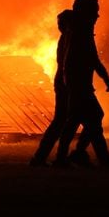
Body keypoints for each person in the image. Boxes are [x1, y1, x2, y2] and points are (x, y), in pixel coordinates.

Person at [54, 0, 109, 167]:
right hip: (78, 84)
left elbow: (91, 57)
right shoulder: (80, 30)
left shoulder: (78, 28)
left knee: (80, 119)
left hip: (77, 83)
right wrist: (104, 79)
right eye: (95, 10)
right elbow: (81, 58)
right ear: (85, 11)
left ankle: (75, 155)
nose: (97, 15)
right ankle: (71, 156)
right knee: (89, 117)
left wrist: (104, 78)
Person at [28, 9, 79, 166]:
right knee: (66, 120)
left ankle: (45, 157)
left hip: (64, 83)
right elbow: (67, 64)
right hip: (66, 84)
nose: (59, 27)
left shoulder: (67, 38)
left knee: (65, 120)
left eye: (60, 24)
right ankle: (58, 157)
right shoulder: (68, 39)